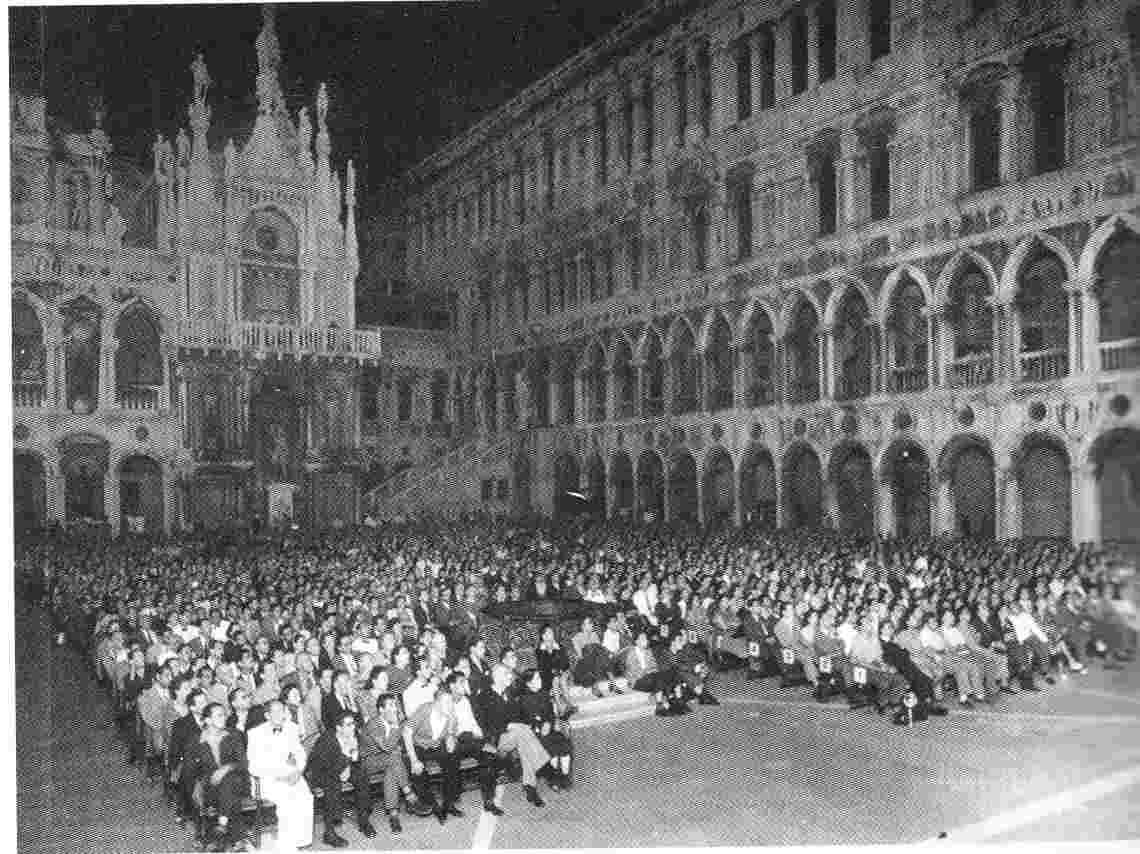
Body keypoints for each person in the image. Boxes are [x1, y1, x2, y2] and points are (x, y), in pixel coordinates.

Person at [475, 664, 553, 807]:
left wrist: (531, 723)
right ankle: (545, 769)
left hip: (515, 735)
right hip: (495, 740)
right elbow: (484, 725)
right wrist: (508, 726)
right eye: (506, 674)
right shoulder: (484, 697)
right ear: (496, 677)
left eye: (509, 674)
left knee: (523, 740)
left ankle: (530, 787)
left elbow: (519, 716)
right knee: (521, 733)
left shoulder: (509, 694)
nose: (510, 676)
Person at [182, 702, 253, 851]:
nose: (224, 717)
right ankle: (235, 836)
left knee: (229, 780)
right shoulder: (195, 741)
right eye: (219, 715)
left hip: (238, 783)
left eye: (224, 714)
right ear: (207, 720)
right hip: (210, 787)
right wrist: (195, 788)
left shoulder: (234, 735)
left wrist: (226, 768)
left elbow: (243, 763)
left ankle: (219, 828)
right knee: (227, 792)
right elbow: (189, 771)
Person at [246, 699, 314, 852]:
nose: (279, 714)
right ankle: (287, 846)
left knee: (305, 796)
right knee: (288, 798)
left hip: (291, 773)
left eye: (281, 711)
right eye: (275, 711)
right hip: (267, 779)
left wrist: (298, 771)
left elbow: (300, 754)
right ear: (267, 715)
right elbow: (253, 766)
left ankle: (301, 841)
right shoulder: (255, 734)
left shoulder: (292, 728)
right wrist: (278, 775)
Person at [305, 711, 376, 847]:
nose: (353, 727)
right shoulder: (327, 740)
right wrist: (345, 757)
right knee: (332, 784)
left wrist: (348, 766)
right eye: (349, 725)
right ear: (339, 728)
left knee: (362, 776)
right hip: (320, 772)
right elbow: (326, 767)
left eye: (353, 724)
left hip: (343, 767)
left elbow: (358, 758)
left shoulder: (353, 735)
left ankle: (364, 820)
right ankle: (329, 833)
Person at [360, 692, 424, 832]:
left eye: (395, 705)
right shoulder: (373, 724)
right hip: (367, 761)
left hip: (386, 760)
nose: (394, 709)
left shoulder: (395, 722)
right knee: (394, 758)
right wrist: (396, 726)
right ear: (381, 710)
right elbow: (387, 747)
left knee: (391, 771)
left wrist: (397, 730)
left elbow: (395, 745)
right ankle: (410, 795)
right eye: (390, 706)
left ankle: (393, 815)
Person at [402, 686, 465, 823]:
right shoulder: (424, 710)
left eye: (451, 702)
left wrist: (450, 737)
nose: (450, 706)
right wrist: (413, 760)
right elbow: (407, 732)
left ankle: (448, 804)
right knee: (418, 772)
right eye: (446, 703)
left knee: (453, 759)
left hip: (436, 744)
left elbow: (452, 733)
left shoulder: (451, 714)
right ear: (436, 703)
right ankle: (433, 806)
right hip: (417, 744)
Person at [519, 669, 573, 787]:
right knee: (549, 747)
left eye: (540, 678)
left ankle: (565, 775)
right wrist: (540, 726)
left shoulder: (544, 694)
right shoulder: (523, 699)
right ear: (529, 683)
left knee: (564, 745)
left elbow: (550, 714)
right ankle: (554, 778)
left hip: (549, 727)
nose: (540, 681)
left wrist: (549, 722)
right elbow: (528, 720)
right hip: (535, 733)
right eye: (537, 679)